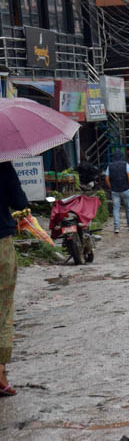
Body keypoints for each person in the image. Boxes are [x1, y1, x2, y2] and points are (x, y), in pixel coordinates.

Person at [1, 162, 29, 397]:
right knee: (3, 308)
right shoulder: (3, 166)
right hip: (1, 245)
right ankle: (0, 371)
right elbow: (20, 203)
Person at [104, 151, 129, 234]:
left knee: (116, 209)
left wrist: (111, 187)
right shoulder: (125, 164)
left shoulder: (109, 166)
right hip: (125, 189)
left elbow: (106, 179)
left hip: (115, 191)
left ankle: (116, 228)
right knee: (128, 208)